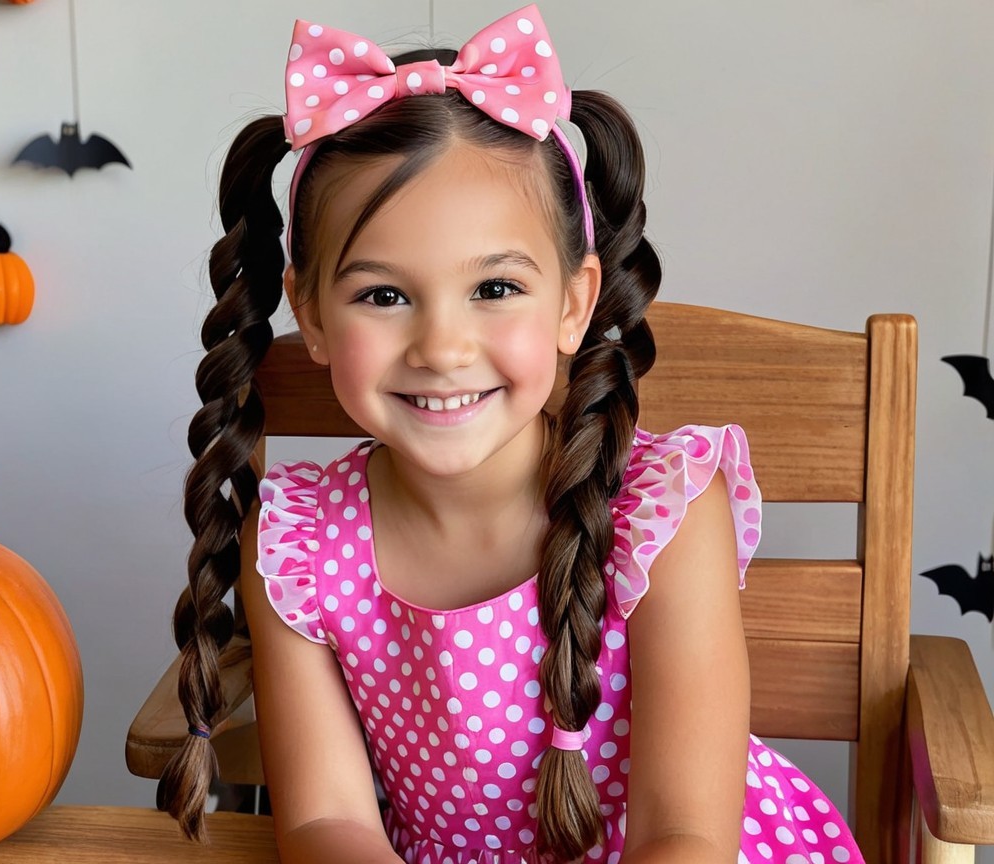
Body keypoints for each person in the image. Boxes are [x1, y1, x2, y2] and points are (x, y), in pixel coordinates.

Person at [159, 6, 866, 863]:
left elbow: (686, 833)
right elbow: (325, 822)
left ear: (573, 303)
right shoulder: (299, 545)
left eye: (494, 289)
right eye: (383, 295)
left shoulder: (664, 514)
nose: (442, 348)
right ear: (309, 315)